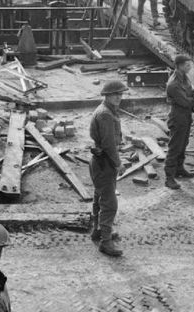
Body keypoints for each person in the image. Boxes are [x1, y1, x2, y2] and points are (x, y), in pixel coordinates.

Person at [89, 79, 128, 257]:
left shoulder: (107, 110)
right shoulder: (105, 114)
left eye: (120, 94)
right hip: (104, 163)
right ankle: (105, 242)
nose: (119, 97)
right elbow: (109, 144)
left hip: (102, 162)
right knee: (110, 204)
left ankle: (98, 231)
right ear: (107, 95)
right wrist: (118, 163)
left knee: (100, 197)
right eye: (115, 94)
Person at [164, 54, 194, 189]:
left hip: (186, 116)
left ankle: (179, 169)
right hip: (178, 117)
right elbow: (184, 101)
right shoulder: (174, 83)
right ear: (180, 66)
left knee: (183, 144)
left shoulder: (184, 78)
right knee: (175, 147)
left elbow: (192, 90)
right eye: (187, 65)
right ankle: (169, 178)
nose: (189, 67)